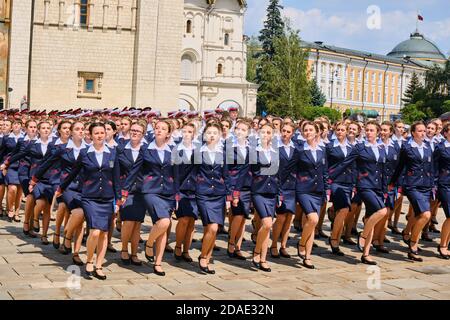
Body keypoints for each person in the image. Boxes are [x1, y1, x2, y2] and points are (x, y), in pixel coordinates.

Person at [57, 122, 121, 280]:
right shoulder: (85, 154)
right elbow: (74, 173)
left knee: (104, 233)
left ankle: (98, 265)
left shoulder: (112, 154)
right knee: (95, 232)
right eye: (96, 133)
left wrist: (118, 200)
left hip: (107, 198)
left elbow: (116, 177)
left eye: (102, 132)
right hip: (89, 197)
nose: (100, 135)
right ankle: (89, 260)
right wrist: (61, 188)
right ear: (90, 135)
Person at [122, 120, 176, 276]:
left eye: (163, 128)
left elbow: (177, 174)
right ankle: (149, 243)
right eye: (157, 128)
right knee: (164, 221)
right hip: (150, 191)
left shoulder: (173, 150)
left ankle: (158, 262)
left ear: (168, 133)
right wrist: (125, 191)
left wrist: (177, 194)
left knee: (163, 226)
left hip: (168, 192)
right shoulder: (145, 149)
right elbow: (134, 171)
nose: (159, 130)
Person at [332, 121, 388, 265]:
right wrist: (329, 177)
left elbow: (382, 170)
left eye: (372, 130)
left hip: (378, 187)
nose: (369, 132)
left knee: (370, 217)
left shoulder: (381, 148)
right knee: (382, 211)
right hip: (364, 186)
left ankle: (366, 254)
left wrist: (384, 188)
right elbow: (346, 163)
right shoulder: (360, 147)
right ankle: (362, 235)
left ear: (377, 132)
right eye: (367, 130)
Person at [390, 121, 434, 262]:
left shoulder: (428, 147)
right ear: (413, 133)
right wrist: (393, 183)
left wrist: (432, 184)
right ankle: (413, 243)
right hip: (412, 185)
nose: (423, 133)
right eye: (420, 131)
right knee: (426, 214)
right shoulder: (407, 147)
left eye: (424, 130)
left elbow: (430, 167)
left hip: (426, 186)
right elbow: (399, 166)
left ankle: (408, 234)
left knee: (420, 214)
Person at [195, 122, 228, 274]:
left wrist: (228, 196)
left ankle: (208, 255)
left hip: (219, 194)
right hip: (203, 193)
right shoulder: (198, 152)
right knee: (212, 226)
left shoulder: (224, 153)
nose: (212, 135)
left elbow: (227, 175)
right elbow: (191, 173)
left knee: (213, 229)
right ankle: (202, 256)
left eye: (215, 132)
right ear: (204, 135)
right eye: (209, 132)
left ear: (220, 135)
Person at [295, 121, 328, 269]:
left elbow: (325, 171)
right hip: (303, 189)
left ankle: (308, 256)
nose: (308, 132)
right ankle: (302, 243)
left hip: (318, 190)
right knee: (313, 219)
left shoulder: (322, 149)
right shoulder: (299, 149)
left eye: (310, 130)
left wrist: (326, 190)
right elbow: (291, 170)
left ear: (317, 132)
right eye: (305, 130)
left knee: (312, 223)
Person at [117, 122, 147, 266]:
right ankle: (123, 249)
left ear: (143, 134)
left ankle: (134, 253)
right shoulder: (121, 149)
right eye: (133, 130)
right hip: (126, 191)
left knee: (137, 224)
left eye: (138, 131)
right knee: (128, 221)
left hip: (141, 191)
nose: (135, 133)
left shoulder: (147, 150)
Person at [326, 121, 355, 256]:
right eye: (338, 129)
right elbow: (325, 165)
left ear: (347, 132)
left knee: (342, 211)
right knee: (344, 209)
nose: (340, 132)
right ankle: (334, 239)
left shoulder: (352, 147)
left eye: (343, 130)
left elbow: (354, 166)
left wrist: (354, 184)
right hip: (335, 181)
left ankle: (335, 234)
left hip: (348, 182)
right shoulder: (330, 146)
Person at [271, 122, 297, 258]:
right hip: (279, 184)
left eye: (288, 131)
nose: (285, 134)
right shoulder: (275, 146)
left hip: (292, 186)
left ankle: (284, 245)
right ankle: (274, 244)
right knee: (280, 217)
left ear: (292, 133)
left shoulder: (296, 147)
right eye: (283, 131)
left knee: (289, 217)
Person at [173, 122, 198, 262]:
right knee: (183, 220)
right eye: (185, 131)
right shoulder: (176, 149)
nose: (187, 134)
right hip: (180, 189)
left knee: (191, 221)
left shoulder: (198, 151)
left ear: (194, 134)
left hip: (194, 190)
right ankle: (178, 246)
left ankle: (186, 250)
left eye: (190, 131)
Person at [226, 120, 252, 260]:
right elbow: (227, 169)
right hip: (234, 185)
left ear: (248, 132)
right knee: (238, 215)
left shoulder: (251, 148)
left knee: (244, 217)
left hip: (247, 186)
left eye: (243, 129)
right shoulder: (229, 146)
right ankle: (231, 241)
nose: (240, 131)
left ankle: (238, 246)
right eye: (238, 129)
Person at [434, 122, 450, 259]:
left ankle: (447, 242)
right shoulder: (440, 148)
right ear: (445, 133)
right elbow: (433, 166)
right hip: (444, 184)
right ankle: (443, 245)